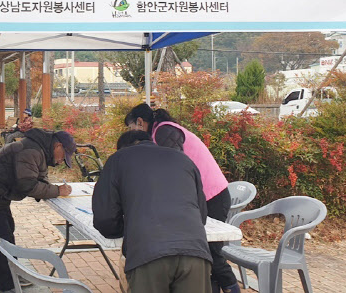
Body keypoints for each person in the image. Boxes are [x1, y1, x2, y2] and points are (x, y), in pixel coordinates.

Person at [125, 103, 239, 293]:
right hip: (203, 194)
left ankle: (231, 287)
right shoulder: (159, 132)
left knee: (208, 250)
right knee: (202, 252)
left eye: (131, 128)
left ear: (140, 122)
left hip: (212, 195)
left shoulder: (164, 131)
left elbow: (173, 167)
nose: (133, 133)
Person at [93, 130, 212, 293]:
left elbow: (104, 217)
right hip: (195, 253)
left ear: (122, 148)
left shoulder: (118, 159)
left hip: (147, 252)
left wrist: (125, 229)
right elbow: (201, 215)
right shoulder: (183, 159)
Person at [0, 128, 76, 293]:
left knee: (8, 230)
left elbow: (38, 177)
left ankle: (11, 273)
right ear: (58, 145)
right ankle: (7, 285)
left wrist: (52, 188)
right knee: (2, 238)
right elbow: (27, 185)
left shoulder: (38, 149)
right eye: (64, 155)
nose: (62, 161)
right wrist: (56, 191)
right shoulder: (32, 150)